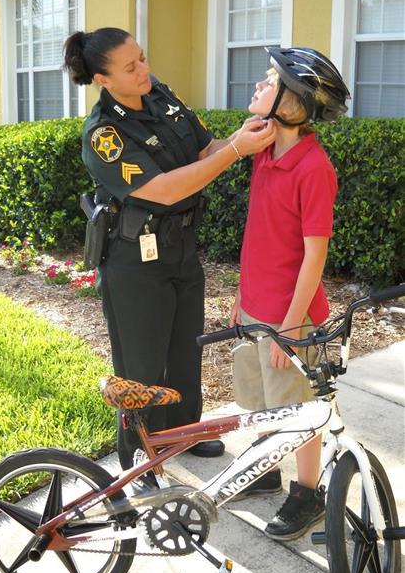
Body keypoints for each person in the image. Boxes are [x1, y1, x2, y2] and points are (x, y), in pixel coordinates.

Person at [63, 27, 277, 475]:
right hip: (134, 262)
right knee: (140, 365)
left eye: (142, 58)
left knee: (185, 349)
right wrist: (235, 150)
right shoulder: (104, 134)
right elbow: (160, 190)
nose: (144, 70)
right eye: (130, 67)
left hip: (181, 248)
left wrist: (243, 136)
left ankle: (185, 433)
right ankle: (141, 454)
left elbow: (205, 150)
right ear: (104, 80)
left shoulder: (162, 95)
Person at [229, 47, 350, 540]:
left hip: (292, 321)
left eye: (268, 81)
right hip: (257, 309)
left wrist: (293, 322)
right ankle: (265, 474)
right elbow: (259, 235)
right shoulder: (264, 155)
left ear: (293, 103)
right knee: (261, 402)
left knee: (299, 410)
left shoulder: (313, 168)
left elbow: (314, 254)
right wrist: (242, 297)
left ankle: (307, 493)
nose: (258, 86)